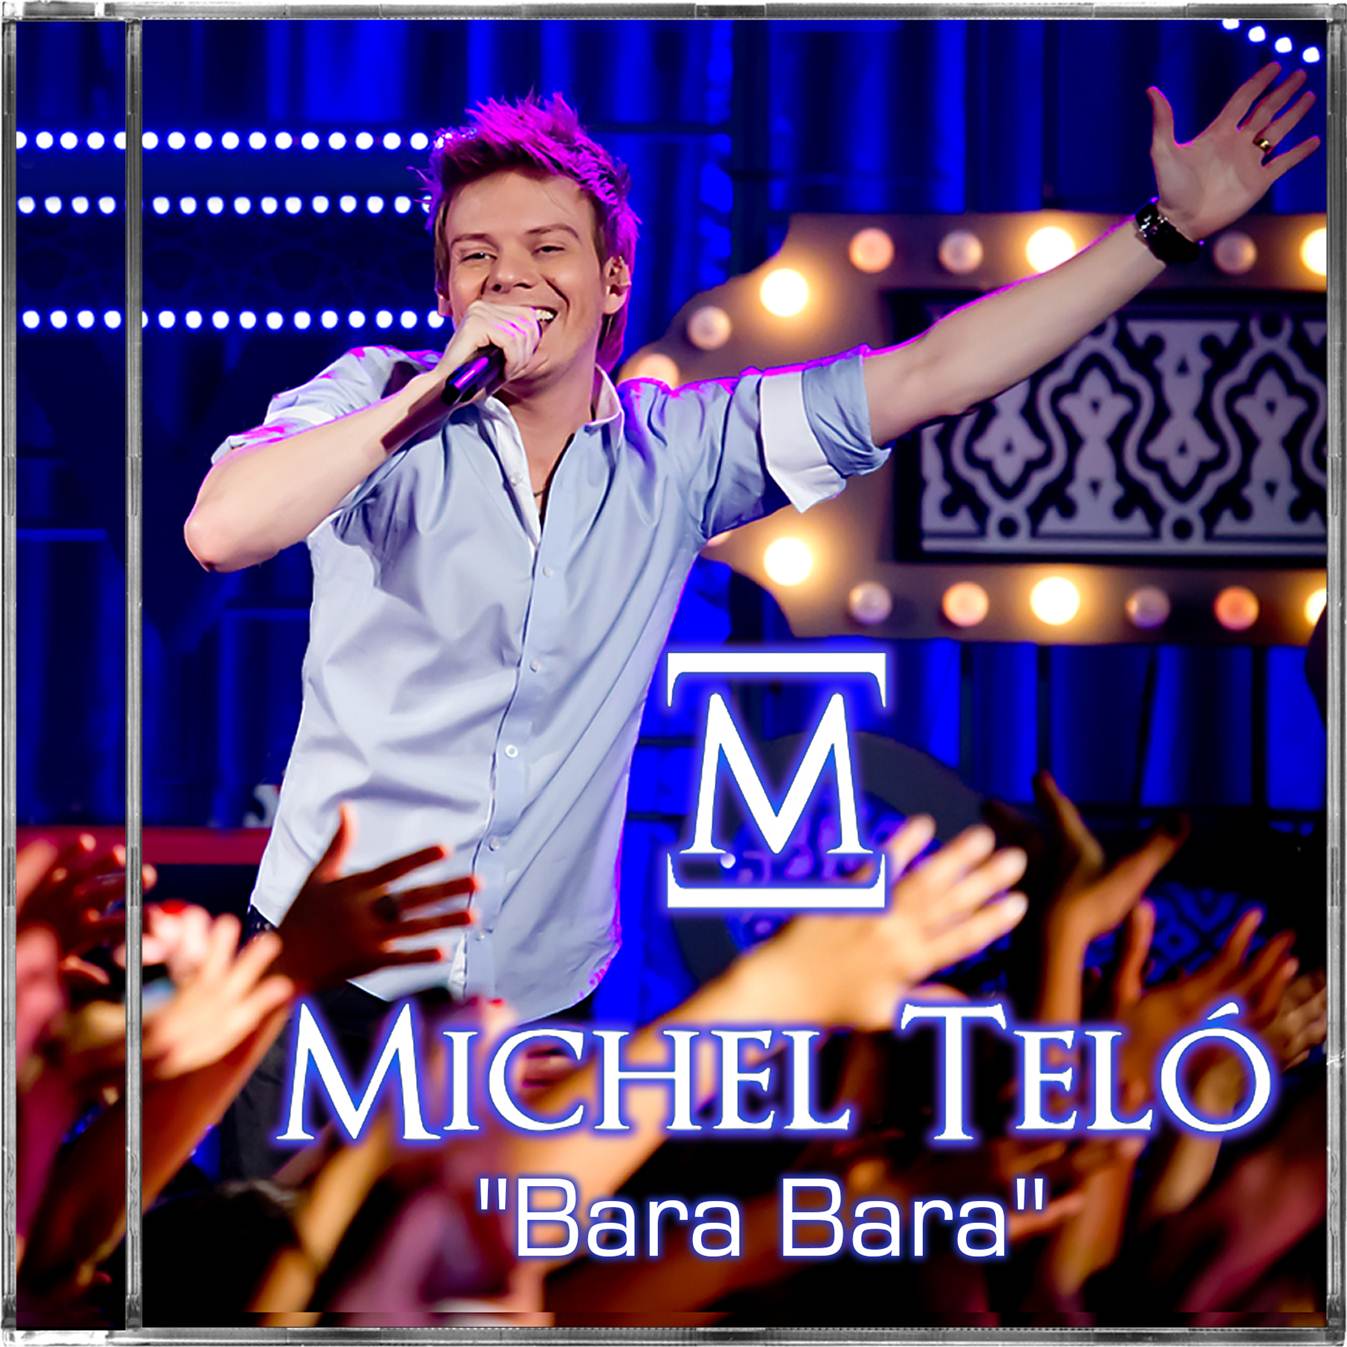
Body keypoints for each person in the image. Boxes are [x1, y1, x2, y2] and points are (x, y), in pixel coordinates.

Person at [185, 71, 1317, 1065]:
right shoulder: (371, 400)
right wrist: (439, 389)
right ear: (445, 296)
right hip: (327, 976)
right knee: (282, 1252)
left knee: (513, 1252)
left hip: (533, 1004)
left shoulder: (677, 456)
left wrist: (1164, 231)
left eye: (546, 248)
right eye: (475, 257)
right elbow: (221, 531)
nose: (509, 276)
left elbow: (933, 373)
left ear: (612, 281)